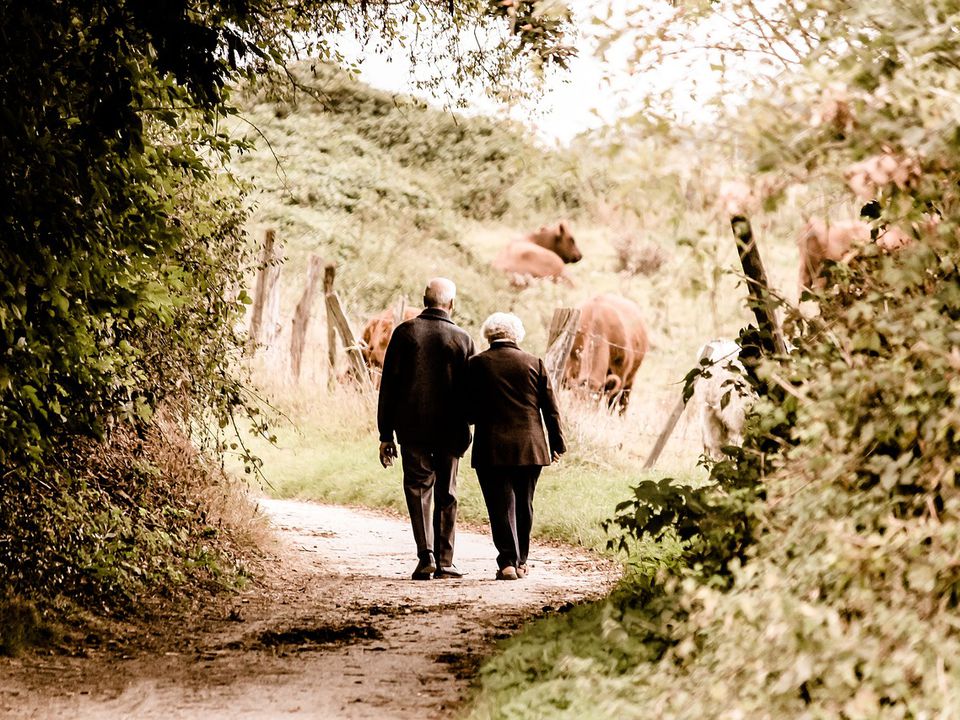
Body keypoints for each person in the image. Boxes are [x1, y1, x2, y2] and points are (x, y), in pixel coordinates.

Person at [377, 278, 476, 580]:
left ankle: (426, 556)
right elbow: (471, 391)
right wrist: (469, 424)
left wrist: (385, 434)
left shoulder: (405, 333)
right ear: (451, 304)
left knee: (418, 489)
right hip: (451, 429)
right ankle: (446, 561)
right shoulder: (462, 338)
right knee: (447, 492)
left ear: (424, 299)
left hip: (412, 428)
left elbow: (388, 387)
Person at [466, 312, 566, 580]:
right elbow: (551, 409)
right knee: (524, 503)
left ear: (489, 334)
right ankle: (522, 561)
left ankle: (507, 562)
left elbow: (468, 410)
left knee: (499, 505)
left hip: (491, 447)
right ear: (516, 335)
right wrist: (557, 443)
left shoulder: (476, 364)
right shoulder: (534, 363)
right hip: (530, 446)